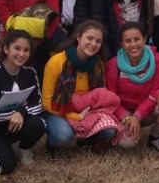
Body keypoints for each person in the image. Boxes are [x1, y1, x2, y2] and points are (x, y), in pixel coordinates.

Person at [42, 19, 117, 151]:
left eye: (98, 41)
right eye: (89, 38)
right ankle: (52, 146)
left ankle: (86, 139)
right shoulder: (55, 63)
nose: (93, 44)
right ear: (78, 37)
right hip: (56, 110)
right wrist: (76, 116)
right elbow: (46, 102)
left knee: (109, 131)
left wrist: (89, 113)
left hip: (87, 110)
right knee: (63, 135)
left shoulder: (98, 64)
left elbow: (99, 95)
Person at [0, 29, 47, 173]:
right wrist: (13, 115)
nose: (21, 54)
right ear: (6, 49)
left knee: (38, 124)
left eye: (26, 50)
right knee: (5, 167)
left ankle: (24, 149)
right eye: (17, 48)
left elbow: (38, 104)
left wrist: (21, 113)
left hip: (17, 124)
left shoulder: (30, 72)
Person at [105, 21, 159, 151]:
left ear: (145, 39)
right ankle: (119, 132)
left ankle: (155, 138)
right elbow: (111, 98)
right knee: (127, 143)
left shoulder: (158, 60)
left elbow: (155, 92)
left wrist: (138, 115)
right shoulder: (114, 64)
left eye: (137, 39)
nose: (133, 45)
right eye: (128, 41)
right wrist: (127, 117)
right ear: (121, 43)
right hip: (125, 113)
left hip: (147, 110)